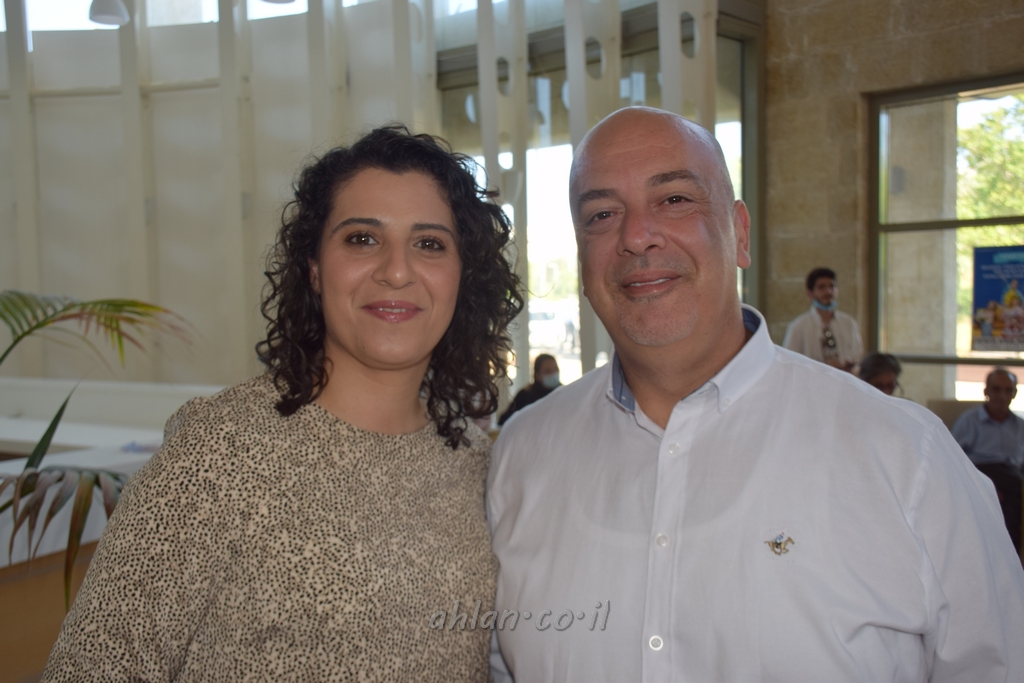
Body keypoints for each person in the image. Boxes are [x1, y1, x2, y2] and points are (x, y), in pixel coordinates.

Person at [487, 107, 1024, 682]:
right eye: (601, 214)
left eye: (674, 199)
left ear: (740, 233)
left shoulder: (907, 458)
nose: (637, 235)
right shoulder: (522, 456)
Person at [43, 125, 523, 681]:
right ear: (314, 270)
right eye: (362, 238)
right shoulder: (219, 451)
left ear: (463, 276)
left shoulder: (475, 464)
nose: (396, 270)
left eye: (430, 244)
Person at [952, 367, 1024, 553]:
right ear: (986, 391)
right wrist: (984, 486)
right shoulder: (970, 421)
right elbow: (954, 458)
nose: (1002, 396)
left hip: (1012, 476)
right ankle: (1008, 555)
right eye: (997, 389)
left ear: (1015, 394)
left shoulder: (1020, 426)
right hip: (980, 473)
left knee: (1015, 498)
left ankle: (1008, 554)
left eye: (1008, 390)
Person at [782, 267, 863, 371]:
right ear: (810, 293)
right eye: (821, 287)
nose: (828, 291)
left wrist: (848, 365)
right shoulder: (798, 326)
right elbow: (789, 361)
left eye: (832, 286)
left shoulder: (849, 323)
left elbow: (858, 356)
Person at [497, 354, 560, 425]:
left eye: (556, 369)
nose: (553, 373)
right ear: (537, 375)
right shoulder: (525, 395)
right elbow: (504, 421)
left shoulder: (562, 393)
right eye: (548, 371)